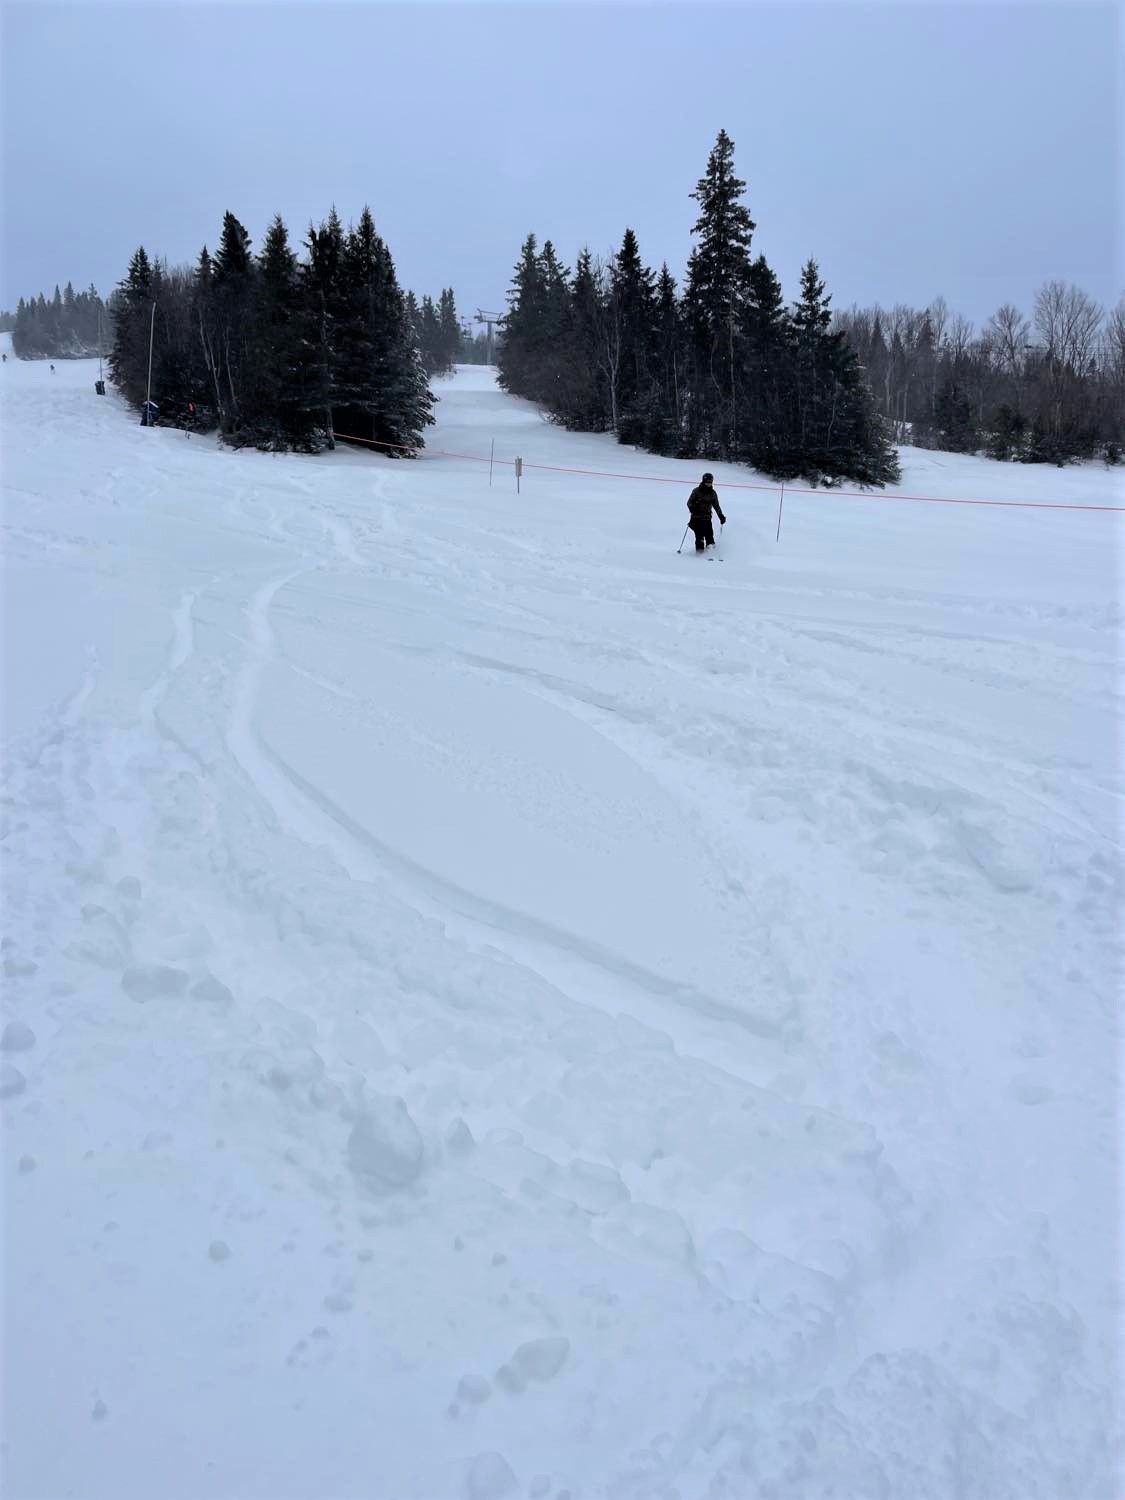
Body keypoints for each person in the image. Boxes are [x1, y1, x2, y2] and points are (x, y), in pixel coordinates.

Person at [686, 472, 726, 552]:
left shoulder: (713, 493)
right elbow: (689, 502)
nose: (708, 484)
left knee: (709, 535)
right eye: (707, 482)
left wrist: (721, 515)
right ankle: (699, 554)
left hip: (707, 518)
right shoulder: (696, 491)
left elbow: (716, 506)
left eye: (710, 482)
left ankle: (710, 553)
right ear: (703, 481)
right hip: (696, 518)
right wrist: (692, 508)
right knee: (699, 536)